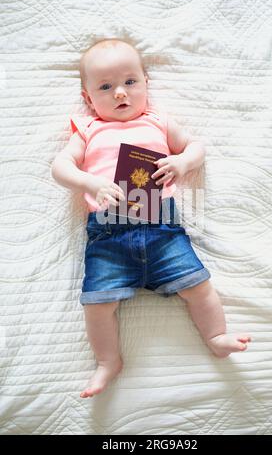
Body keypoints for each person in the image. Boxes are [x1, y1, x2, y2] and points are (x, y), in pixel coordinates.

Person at [51, 38, 251, 398]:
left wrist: (182, 162)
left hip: (163, 230)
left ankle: (216, 335)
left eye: (130, 82)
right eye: (105, 87)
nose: (120, 95)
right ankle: (108, 361)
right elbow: (60, 166)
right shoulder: (90, 129)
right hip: (109, 236)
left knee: (199, 287)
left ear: (146, 83)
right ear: (88, 98)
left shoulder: (156, 122)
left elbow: (196, 146)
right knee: (97, 304)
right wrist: (90, 182)